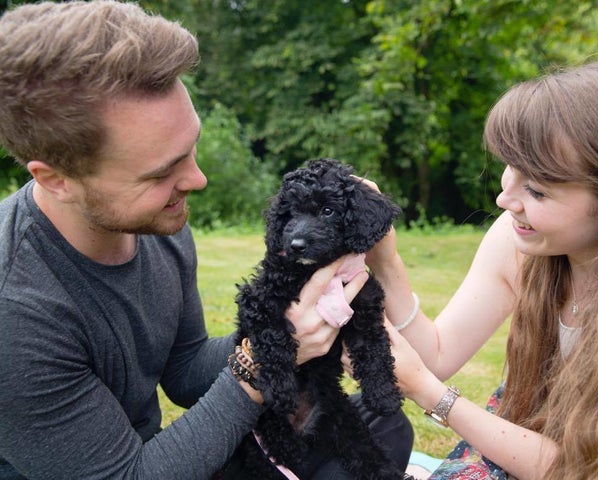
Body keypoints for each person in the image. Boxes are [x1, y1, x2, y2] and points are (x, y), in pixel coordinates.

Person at [0, 1, 412, 479]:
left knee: (384, 427)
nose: (196, 179)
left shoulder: (153, 221)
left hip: (151, 455)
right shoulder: (16, 309)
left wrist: (285, 320)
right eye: (161, 172)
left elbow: (186, 371)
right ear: (57, 179)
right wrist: (261, 364)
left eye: (189, 148)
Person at [361, 59, 598, 480]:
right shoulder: (524, 239)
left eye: (536, 188)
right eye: (511, 168)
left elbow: (593, 472)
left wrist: (428, 392)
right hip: (548, 435)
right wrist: (384, 261)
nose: (504, 198)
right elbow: (436, 355)